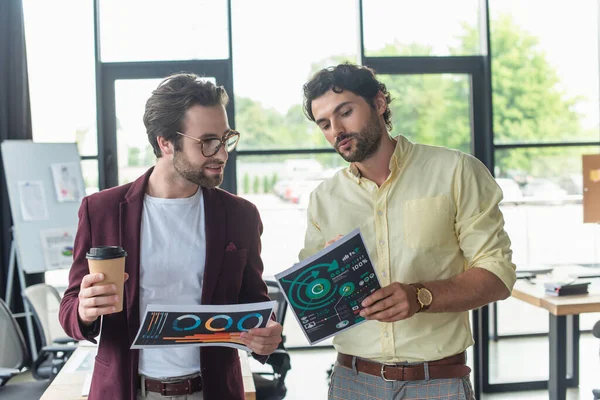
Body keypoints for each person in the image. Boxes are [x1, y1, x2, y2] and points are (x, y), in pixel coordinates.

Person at [299, 63, 516, 400]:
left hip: (437, 381)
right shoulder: (323, 200)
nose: (337, 129)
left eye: (345, 112)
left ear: (380, 102)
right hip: (351, 382)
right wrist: (327, 278)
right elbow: (313, 307)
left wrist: (420, 296)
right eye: (324, 124)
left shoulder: (456, 171)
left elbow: (497, 277)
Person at [59, 73, 283, 400]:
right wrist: (83, 310)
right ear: (165, 142)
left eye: (226, 138)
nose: (221, 154)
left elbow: (255, 302)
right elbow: (69, 307)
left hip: (213, 390)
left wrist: (268, 334)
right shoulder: (101, 210)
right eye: (207, 141)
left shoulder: (240, 215)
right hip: (127, 391)